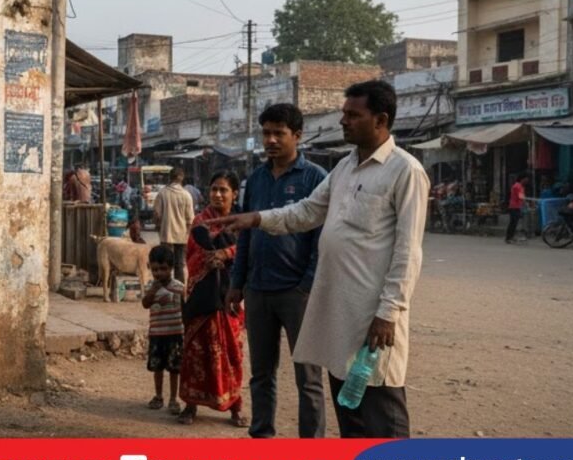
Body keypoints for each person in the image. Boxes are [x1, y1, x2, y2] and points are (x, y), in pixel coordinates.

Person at [209, 80, 430, 439]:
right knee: (350, 411)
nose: (343, 121)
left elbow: (408, 252)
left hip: (373, 317)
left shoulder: (405, 171)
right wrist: (256, 219)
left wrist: (389, 313)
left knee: (381, 413)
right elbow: (308, 211)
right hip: (339, 313)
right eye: (343, 114)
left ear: (381, 119)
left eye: (353, 115)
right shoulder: (344, 168)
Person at [226, 103, 327, 439]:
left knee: (308, 377)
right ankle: (262, 438)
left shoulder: (316, 178)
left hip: (297, 293)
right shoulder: (254, 180)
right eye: (266, 132)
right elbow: (245, 234)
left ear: (297, 135)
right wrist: (237, 283)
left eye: (278, 133)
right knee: (262, 374)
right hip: (258, 290)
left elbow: (321, 240)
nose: (270, 140)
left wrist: (307, 285)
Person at [178, 171, 248, 427]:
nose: (218, 194)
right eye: (214, 189)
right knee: (196, 352)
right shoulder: (200, 222)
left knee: (231, 354)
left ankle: (235, 406)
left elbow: (248, 251)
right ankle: (190, 404)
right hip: (202, 299)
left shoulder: (241, 223)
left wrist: (226, 253)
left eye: (223, 190)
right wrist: (210, 258)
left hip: (230, 297)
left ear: (234, 194)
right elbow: (192, 257)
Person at [142, 245, 186, 416]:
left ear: (171, 268)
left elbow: (185, 307)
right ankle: (158, 395)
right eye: (155, 269)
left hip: (175, 334)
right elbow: (145, 304)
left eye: (163, 269)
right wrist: (152, 292)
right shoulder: (151, 287)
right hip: (157, 335)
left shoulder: (179, 287)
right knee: (157, 367)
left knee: (175, 369)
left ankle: (173, 399)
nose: (159, 273)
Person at [154, 167, 194, 282]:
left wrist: (158, 227)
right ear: (182, 179)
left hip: (166, 235)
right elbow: (190, 220)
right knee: (179, 265)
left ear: (170, 178)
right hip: (181, 237)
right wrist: (187, 236)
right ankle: (179, 293)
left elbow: (157, 214)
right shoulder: (187, 195)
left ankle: (166, 289)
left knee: (165, 264)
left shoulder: (162, 193)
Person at [506, 173, 530, 244]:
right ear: (522, 179)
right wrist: (526, 202)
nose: (527, 180)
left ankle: (510, 237)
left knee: (514, 223)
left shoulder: (520, 186)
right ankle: (509, 238)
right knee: (513, 223)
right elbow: (521, 196)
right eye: (526, 179)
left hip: (517, 206)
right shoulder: (517, 186)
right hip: (514, 207)